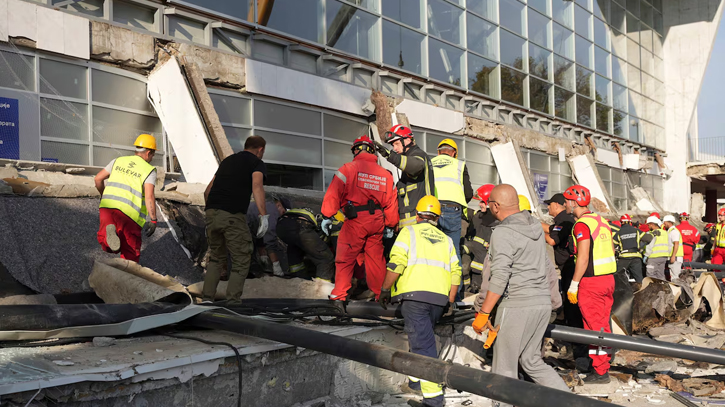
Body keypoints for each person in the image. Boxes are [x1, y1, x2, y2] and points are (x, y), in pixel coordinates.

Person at [471, 185, 570, 407]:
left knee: (503, 368)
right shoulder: (535, 225)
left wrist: (484, 311)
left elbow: (499, 277)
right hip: (541, 304)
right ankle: (572, 403)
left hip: (516, 305)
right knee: (531, 361)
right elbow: (547, 267)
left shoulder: (503, 233)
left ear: (495, 206)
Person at [379, 195, 461, 407]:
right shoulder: (446, 239)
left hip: (415, 299)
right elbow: (456, 271)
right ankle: (416, 382)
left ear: (417, 215)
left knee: (424, 348)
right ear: (437, 218)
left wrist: (385, 289)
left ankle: (433, 400)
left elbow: (396, 263)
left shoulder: (409, 232)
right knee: (421, 341)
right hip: (438, 300)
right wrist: (450, 300)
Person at [322, 135, 398, 301]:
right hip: (377, 222)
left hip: (356, 220)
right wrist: (391, 225)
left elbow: (333, 194)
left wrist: (327, 214)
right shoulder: (386, 175)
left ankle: (339, 296)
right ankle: (381, 296)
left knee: (345, 258)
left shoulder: (348, 169)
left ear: (355, 150)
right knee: (376, 260)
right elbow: (391, 204)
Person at [201, 135, 268, 304]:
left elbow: (207, 191)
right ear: (260, 150)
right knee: (242, 259)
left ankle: (207, 300)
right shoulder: (256, 163)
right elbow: (257, 186)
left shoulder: (227, 161)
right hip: (232, 216)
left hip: (211, 213)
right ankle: (233, 302)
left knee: (216, 258)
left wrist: (212, 211)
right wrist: (263, 215)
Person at [564, 185, 617, 384]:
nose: (566, 204)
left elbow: (583, 257)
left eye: (568, 200)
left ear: (574, 202)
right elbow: (611, 249)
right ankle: (605, 360)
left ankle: (601, 371)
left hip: (591, 282)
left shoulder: (581, 225)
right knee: (603, 324)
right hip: (608, 280)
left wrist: (574, 284)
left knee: (594, 328)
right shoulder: (600, 221)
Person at [95, 133, 159, 263]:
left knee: (107, 244)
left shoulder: (118, 161)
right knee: (130, 254)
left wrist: (104, 196)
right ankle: (126, 279)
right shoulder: (148, 169)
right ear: (148, 152)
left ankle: (109, 237)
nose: (152, 158)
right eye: (153, 155)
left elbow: (98, 179)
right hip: (129, 215)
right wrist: (153, 219)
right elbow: (149, 196)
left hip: (107, 208)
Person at [540, 192, 588, 365]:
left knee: (572, 309)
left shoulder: (565, 220)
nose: (547, 207)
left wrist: (536, 230)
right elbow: (551, 230)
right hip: (567, 268)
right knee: (570, 308)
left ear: (557, 205)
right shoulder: (562, 221)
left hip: (569, 269)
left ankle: (578, 349)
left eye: (549, 204)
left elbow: (553, 240)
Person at [374, 125, 434, 228]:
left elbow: (415, 166)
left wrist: (390, 156)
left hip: (420, 223)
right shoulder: (408, 158)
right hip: (411, 224)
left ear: (407, 140)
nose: (395, 148)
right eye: (393, 145)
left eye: (397, 144)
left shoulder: (419, 155)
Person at [431, 139, 473, 263]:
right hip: (452, 209)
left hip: (433, 209)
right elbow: (469, 193)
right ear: (454, 153)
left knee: (433, 250)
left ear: (439, 153)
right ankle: (455, 282)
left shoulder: (429, 163)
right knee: (453, 251)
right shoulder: (459, 165)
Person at [276, 203, 335, 286]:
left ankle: (298, 282)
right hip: (301, 226)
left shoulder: (302, 211)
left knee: (295, 249)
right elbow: (319, 240)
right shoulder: (324, 221)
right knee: (325, 258)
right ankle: (321, 288)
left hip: (281, 226)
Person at [461, 184, 496, 293]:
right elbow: (464, 211)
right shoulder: (477, 216)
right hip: (473, 267)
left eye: (482, 202)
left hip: (485, 271)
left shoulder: (498, 223)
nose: (479, 204)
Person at [247, 197, 285, 276]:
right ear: (279, 205)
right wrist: (276, 264)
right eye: (283, 212)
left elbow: (260, 233)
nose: (282, 215)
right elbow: (269, 238)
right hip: (242, 226)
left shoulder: (266, 205)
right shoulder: (273, 211)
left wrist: (263, 255)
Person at [613, 214, 647, 283]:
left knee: (617, 277)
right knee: (639, 278)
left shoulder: (618, 233)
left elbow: (613, 245)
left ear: (621, 222)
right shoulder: (636, 231)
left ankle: (619, 292)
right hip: (636, 257)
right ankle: (641, 291)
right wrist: (641, 247)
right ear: (630, 222)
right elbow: (648, 238)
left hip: (623, 258)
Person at [643, 216, 669, 280]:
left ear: (652, 224)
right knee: (660, 275)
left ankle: (654, 289)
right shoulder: (665, 233)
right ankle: (663, 288)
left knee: (651, 276)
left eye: (648, 225)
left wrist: (646, 255)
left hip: (653, 257)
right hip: (664, 257)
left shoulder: (652, 234)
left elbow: (650, 246)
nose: (648, 227)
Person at [663, 215, 684, 280]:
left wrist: (673, 256)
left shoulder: (674, 231)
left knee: (675, 277)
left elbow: (676, 243)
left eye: (665, 222)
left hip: (676, 257)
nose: (664, 224)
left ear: (669, 222)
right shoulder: (670, 231)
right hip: (674, 257)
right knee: (673, 277)